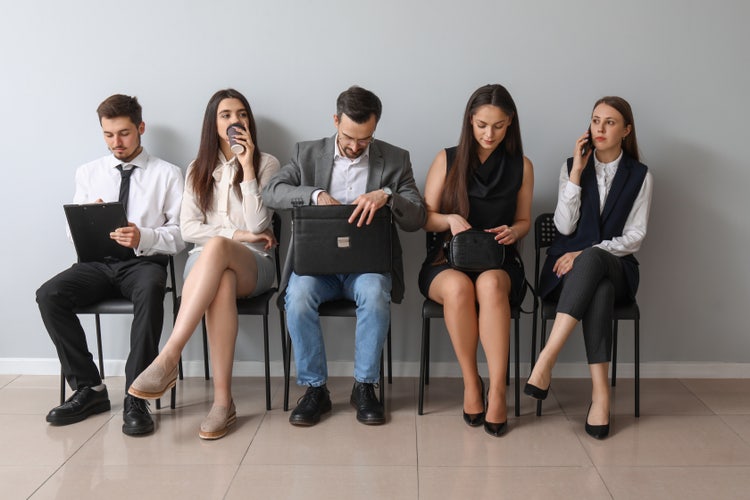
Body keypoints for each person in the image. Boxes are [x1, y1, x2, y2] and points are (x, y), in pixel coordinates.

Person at [262, 85, 425, 427]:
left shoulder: (396, 159)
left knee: (374, 294)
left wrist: (387, 195)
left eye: (365, 139)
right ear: (336, 120)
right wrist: (315, 194)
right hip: (316, 269)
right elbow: (271, 192)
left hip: (366, 269)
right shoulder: (306, 154)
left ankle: (365, 386)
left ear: (375, 129)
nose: (355, 146)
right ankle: (315, 389)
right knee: (299, 295)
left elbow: (417, 217)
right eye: (349, 136)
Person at [128, 89, 280, 440]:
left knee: (216, 249)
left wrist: (247, 167)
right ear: (214, 123)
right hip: (206, 268)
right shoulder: (197, 168)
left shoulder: (267, 164)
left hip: (255, 266)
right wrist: (236, 234)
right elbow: (188, 228)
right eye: (226, 115)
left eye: (241, 114)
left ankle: (169, 355)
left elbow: (259, 225)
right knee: (220, 276)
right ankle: (223, 404)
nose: (235, 121)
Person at [36, 94, 185, 435]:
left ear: (140, 128)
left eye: (123, 133)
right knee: (49, 295)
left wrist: (143, 236)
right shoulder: (88, 172)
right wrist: (90, 221)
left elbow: (180, 236)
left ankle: (137, 393)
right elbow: (71, 233)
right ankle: (90, 389)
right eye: (108, 134)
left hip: (143, 263)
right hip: (96, 263)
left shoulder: (168, 174)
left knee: (150, 291)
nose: (115, 143)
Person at [524, 96, 653, 439]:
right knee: (601, 291)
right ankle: (601, 396)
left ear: (626, 130)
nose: (600, 128)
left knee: (595, 260)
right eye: (596, 120)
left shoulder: (640, 175)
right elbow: (565, 228)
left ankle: (546, 358)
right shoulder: (572, 166)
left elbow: (635, 236)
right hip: (567, 275)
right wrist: (577, 174)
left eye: (610, 122)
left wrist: (586, 253)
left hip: (619, 268)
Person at [419, 84, 533, 437]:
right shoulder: (447, 158)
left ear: (510, 123)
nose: (489, 133)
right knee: (457, 288)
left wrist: (515, 232)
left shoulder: (521, 166)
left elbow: (524, 220)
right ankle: (472, 382)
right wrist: (449, 219)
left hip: (499, 259)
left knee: (491, 283)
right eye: (482, 125)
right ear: (470, 121)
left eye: (499, 126)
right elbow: (424, 217)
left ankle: (498, 388)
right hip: (446, 258)